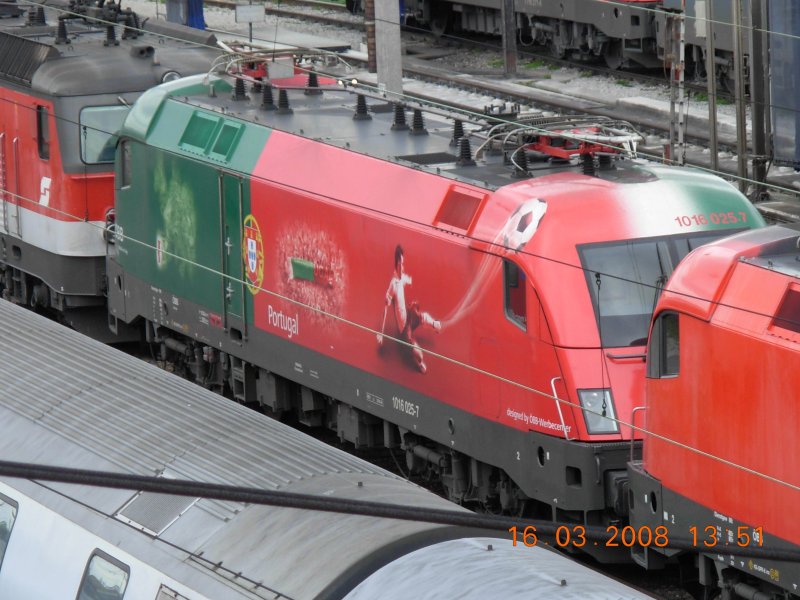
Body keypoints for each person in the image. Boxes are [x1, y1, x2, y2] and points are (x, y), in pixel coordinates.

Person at [377, 245, 441, 373]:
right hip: (404, 328)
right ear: (396, 264)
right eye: (400, 264)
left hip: (408, 314)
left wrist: (409, 282)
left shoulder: (403, 278)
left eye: (403, 263)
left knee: (423, 316)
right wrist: (381, 333)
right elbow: (385, 309)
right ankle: (420, 363)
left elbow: (409, 282)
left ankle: (434, 325)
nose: (402, 267)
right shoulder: (392, 285)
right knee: (419, 354)